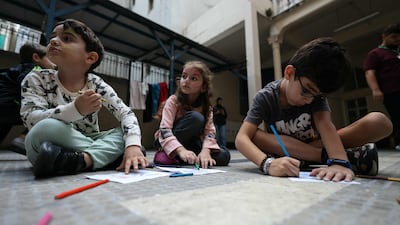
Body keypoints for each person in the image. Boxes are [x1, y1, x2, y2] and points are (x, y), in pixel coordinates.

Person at [235, 37, 392, 182]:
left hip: (316, 144)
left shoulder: (315, 97)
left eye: (315, 96)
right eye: (306, 91)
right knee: (252, 134)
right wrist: (268, 164)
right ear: (289, 73)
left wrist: (339, 162)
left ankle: (322, 156)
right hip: (284, 150)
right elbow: (241, 138)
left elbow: (325, 125)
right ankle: (329, 157)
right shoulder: (265, 97)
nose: (308, 100)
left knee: (379, 122)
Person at [20, 19, 147, 178]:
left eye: (66, 38)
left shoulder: (96, 84)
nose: (53, 40)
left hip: (68, 149)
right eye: (53, 36)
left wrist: (133, 144)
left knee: (127, 133)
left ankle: (80, 161)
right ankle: (107, 156)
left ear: (90, 58)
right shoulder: (36, 78)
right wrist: (75, 110)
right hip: (50, 143)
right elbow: (30, 119)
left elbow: (126, 113)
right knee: (43, 128)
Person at [153, 61, 230, 168]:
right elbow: (165, 130)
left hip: (191, 142)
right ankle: (172, 152)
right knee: (196, 118)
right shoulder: (173, 101)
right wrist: (180, 150)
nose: (186, 81)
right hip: (166, 139)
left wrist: (206, 151)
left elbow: (210, 132)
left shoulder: (207, 108)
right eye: (184, 76)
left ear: (203, 87)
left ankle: (184, 157)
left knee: (224, 156)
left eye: (193, 78)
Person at [0, 42, 55, 154]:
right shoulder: (36, 69)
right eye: (50, 58)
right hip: (10, 106)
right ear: (36, 57)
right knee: (51, 111)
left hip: (5, 106)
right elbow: (25, 83)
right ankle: (23, 138)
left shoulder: (18, 68)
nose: (54, 63)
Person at [363, 23, 400, 150]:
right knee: (397, 115)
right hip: (392, 91)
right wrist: (376, 89)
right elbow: (369, 72)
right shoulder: (376, 53)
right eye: (394, 36)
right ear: (384, 37)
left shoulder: (396, 52)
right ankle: (395, 141)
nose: (397, 39)